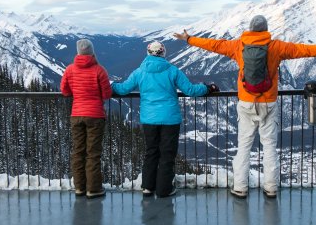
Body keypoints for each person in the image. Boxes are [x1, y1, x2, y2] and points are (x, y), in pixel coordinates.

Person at [173, 15, 316, 199]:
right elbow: (304, 50)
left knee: (243, 146)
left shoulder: (238, 45)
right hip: (268, 103)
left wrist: (189, 39)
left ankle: (240, 187)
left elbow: (213, 44)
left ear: (251, 29)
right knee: (269, 147)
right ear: (265, 29)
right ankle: (270, 188)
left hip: (245, 103)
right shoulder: (276, 47)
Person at [111, 40, 219, 198]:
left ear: (148, 53)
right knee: (167, 154)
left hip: (149, 119)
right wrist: (208, 88)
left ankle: (148, 187)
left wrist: (112, 85)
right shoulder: (172, 70)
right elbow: (190, 90)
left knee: (151, 152)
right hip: (170, 119)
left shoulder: (139, 72)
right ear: (163, 53)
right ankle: (164, 189)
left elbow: (123, 89)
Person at [61, 39, 113, 199]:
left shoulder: (69, 70)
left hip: (76, 115)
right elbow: (107, 94)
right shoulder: (99, 70)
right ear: (92, 52)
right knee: (93, 153)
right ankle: (93, 189)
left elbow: (64, 90)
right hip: (95, 115)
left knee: (78, 152)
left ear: (78, 52)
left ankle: (79, 188)